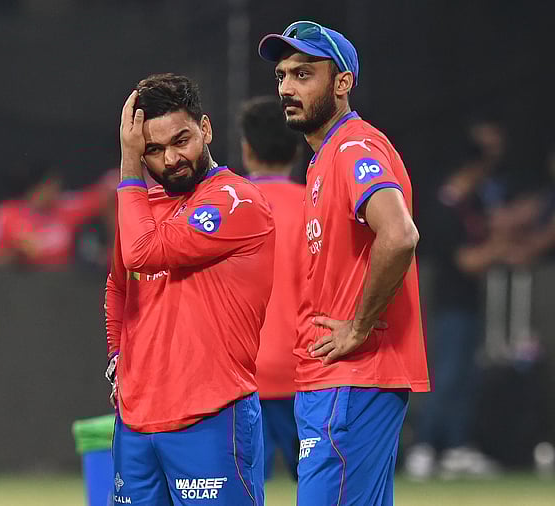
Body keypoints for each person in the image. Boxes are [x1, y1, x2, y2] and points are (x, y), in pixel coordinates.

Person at [259, 21, 428, 505]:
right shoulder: (324, 157)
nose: (288, 87)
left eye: (304, 74)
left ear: (342, 83)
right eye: (282, 76)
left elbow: (398, 236)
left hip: (353, 375)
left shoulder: (354, 148)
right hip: (343, 379)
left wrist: (358, 326)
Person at [106, 73, 276, 505]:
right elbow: (118, 284)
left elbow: (144, 253)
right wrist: (117, 359)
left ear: (206, 128)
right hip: (136, 423)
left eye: (181, 140)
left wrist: (129, 165)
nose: (171, 159)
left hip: (211, 416)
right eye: (153, 151)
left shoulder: (236, 200)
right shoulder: (142, 208)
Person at [404, 126, 509, 481]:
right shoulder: (443, 206)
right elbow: (466, 260)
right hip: (447, 302)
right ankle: (424, 447)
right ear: (471, 166)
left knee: (466, 375)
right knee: (446, 375)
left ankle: (456, 447)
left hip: (470, 303)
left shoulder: (474, 202)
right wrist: (507, 249)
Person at [239, 96, 304, 481]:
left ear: (247, 149)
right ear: (298, 148)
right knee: (323, 489)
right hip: (305, 375)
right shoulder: (316, 206)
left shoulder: (222, 207)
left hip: (241, 376)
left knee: (240, 491)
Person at [0, 162, 115, 268]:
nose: (56, 191)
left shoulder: (64, 208)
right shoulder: (6, 214)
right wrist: (15, 255)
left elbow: (103, 195)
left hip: (58, 287)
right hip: (13, 287)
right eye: (51, 186)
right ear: (37, 187)